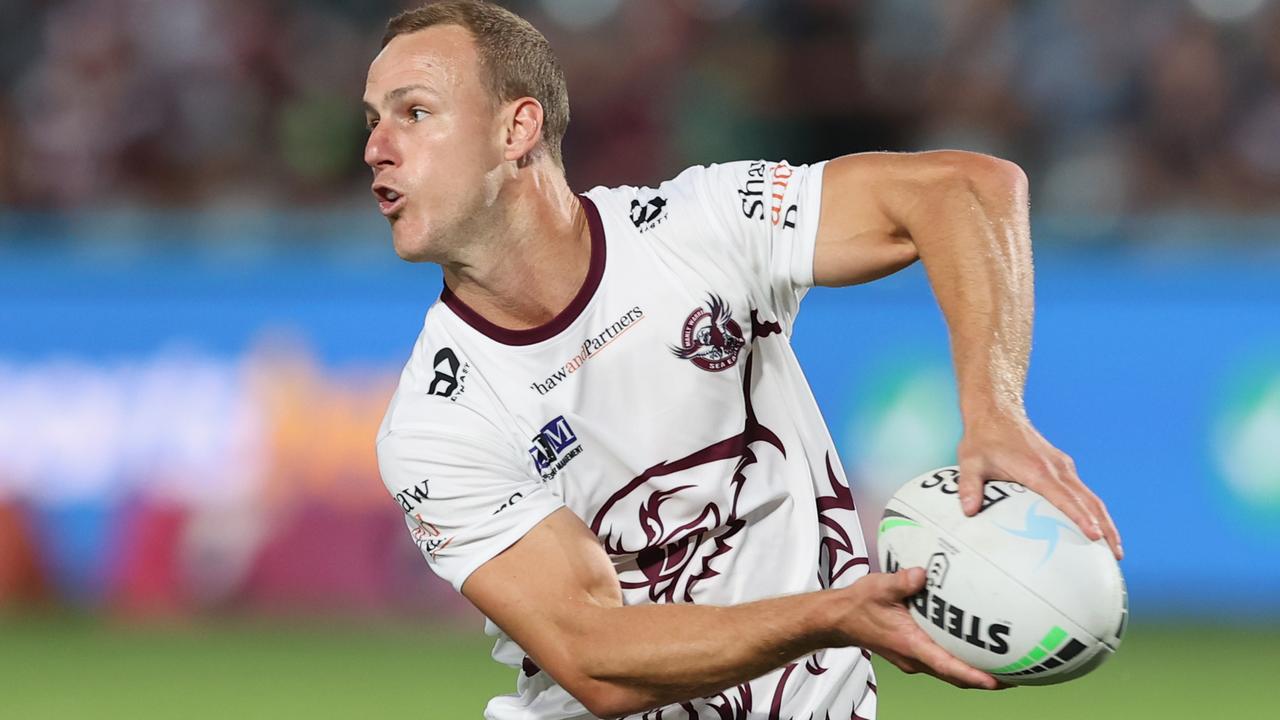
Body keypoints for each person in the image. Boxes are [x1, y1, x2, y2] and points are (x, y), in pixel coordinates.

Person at [366, 2, 1123, 718]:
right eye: (373, 121)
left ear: (516, 128)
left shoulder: (697, 230)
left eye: (414, 112)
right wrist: (835, 616)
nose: (376, 147)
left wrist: (994, 409)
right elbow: (593, 657)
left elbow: (969, 189)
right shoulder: (437, 422)